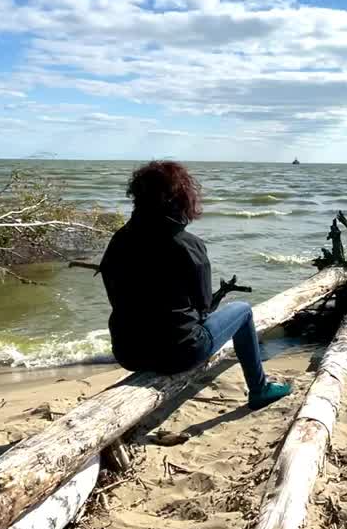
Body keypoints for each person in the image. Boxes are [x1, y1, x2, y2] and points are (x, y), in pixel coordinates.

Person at [99, 161, 292, 410]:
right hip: (177, 354)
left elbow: (115, 296)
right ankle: (259, 388)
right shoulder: (187, 245)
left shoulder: (119, 240)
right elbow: (203, 308)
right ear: (180, 199)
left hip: (128, 351)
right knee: (243, 310)